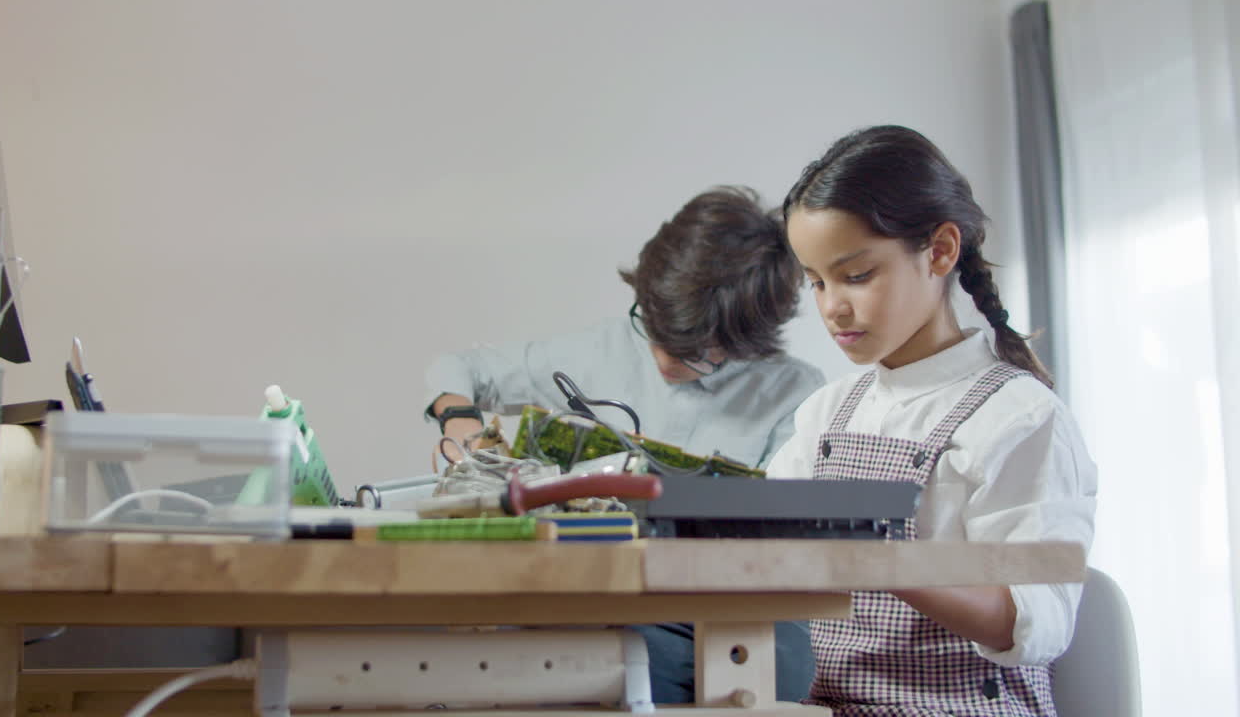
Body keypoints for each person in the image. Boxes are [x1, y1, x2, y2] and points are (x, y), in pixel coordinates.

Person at [422, 186, 826, 703]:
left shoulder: (795, 392)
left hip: (734, 603)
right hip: (615, 599)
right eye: (654, 331)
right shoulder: (606, 348)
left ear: (748, 343)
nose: (663, 360)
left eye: (695, 353)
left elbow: (785, 542)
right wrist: (459, 420)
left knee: (768, 669)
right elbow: (460, 368)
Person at [768, 125, 1097, 716]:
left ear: (940, 251)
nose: (832, 306)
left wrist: (890, 562)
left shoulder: (1020, 417)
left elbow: (1040, 618)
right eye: (816, 282)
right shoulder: (827, 413)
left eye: (856, 275)